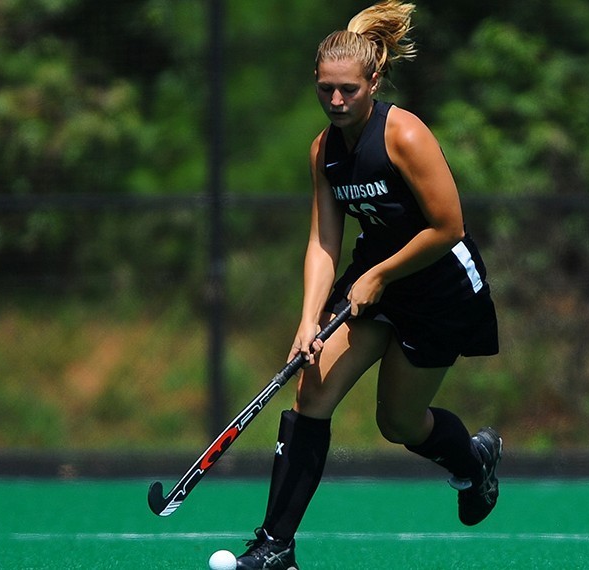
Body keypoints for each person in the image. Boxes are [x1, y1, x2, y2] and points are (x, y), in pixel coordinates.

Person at [234, 2, 501, 568]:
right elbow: (323, 242)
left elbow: (448, 227)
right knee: (312, 393)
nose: (336, 101)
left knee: (397, 422)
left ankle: (473, 462)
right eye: (325, 89)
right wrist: (308, 319)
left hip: (440, 290)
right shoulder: (324, 151)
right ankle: (276, 546)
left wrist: (379, 274)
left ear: (373, 82)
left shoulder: (404, 134)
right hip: (374, 281)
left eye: (348, 90)